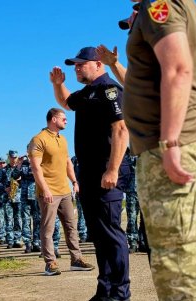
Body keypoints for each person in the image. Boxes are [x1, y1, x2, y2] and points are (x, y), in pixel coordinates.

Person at [123, 1, 196, 299]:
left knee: (179, 267)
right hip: (181, 143)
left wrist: (170, 143)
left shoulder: (159, 3)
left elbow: (178, 68)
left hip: (174, 146)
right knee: (186, 258)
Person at [50, 47, 131, 300]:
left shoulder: (110, 90)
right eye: (75, 65)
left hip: (107, 170)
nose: (77, 68)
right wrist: (57, 84)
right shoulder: (87, 93)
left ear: (98, 65)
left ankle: (120, 293)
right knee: (98, 235)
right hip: (89, 172)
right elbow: (65, 103)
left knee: (111, 233)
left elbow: (121, 129)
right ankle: (104, 290)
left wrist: (113, 169)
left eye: (81, 64)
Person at [28, 108, 94, 276]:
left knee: (71, 226)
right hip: (48, 192)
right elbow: (36, 168)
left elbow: (67, 163)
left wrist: (74, 181)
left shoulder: (62, 139)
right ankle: (50, 263)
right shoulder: (38, 139)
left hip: (64, 191)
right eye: (63, 118)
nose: (66, 121)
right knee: (48, 228)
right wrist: (45, 189)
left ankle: (76, 260)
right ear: (53, 119)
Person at [11, 154, 41, 253]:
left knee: (37, 219)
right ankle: (27, 243)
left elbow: (39, 173)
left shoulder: (39, 161)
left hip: (36, 195)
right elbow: (14, 176)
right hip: (24, 196)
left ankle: (36, 242)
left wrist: (32, 161)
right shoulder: (22, 163)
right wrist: (18, 164)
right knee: (25, 219)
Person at [70, 156, 88, 243]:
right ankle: (82, 234)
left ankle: (91, 233)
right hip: (79, 189)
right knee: (81, 213)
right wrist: (74, 184)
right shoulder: (74, 159)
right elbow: (70, 171)